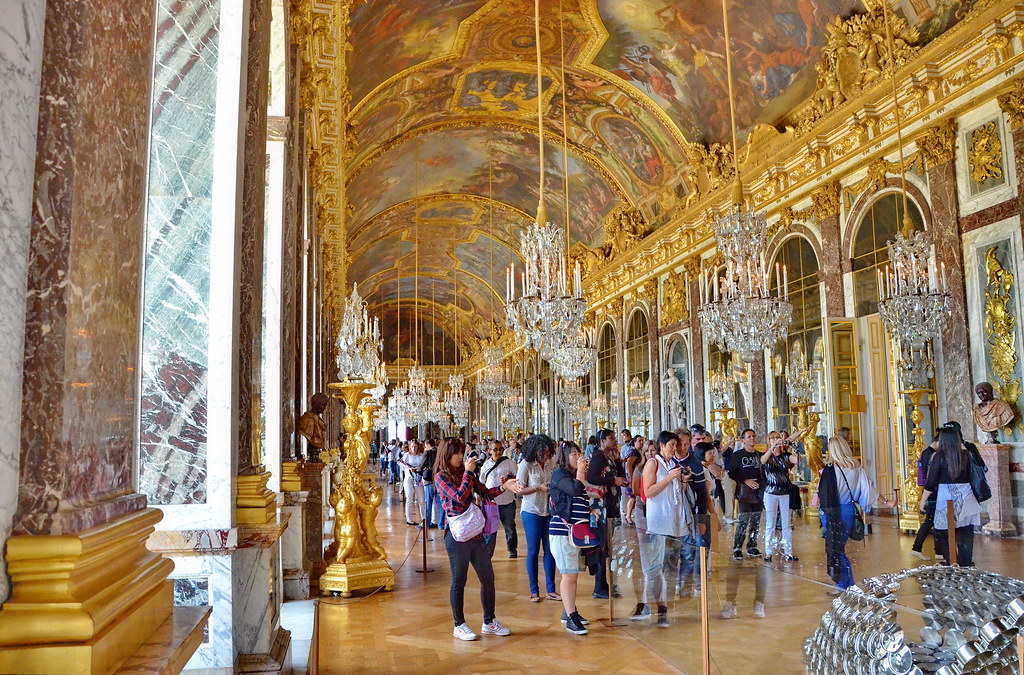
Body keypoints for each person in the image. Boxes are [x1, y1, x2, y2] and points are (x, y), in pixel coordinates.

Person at [434, 437, 520, 641]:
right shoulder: (440, 477)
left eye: (461, 452)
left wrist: (504, 487)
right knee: (459, 581)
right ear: (446, 454)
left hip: (475, 533)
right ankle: (459, 624)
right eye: (456, 453)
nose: (460, 457)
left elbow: (486, 492)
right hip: (456, 536)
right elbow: (459, 497)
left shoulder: (465, 474)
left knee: (487, 577)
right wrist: (468, 472)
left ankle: (489, 621)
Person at [816, 435, 893, 592]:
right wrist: (886, 501)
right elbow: (868, 489)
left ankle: (844, 586)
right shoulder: (856, 468)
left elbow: (821, 493)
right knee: (839, 549)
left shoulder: (830, 469)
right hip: (848, 510)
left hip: (833, 512)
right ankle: (847, 585)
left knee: (836, 550)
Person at [642, 430, 699, 627]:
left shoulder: (673, 465)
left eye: (677, 445)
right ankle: (652, 606)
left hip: (675, 523)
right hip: (659, 523)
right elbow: (648, 491)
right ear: (662, 446)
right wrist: (668, 478)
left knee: (671, 565)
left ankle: (665, 606)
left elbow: (677, 493)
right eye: (672, 445)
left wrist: (683, 480)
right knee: (657, 566)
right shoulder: (653, 464)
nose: (675, 448)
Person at [922, 425, 986, 567]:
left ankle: (952, 562)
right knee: (966, 533)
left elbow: (931, 482)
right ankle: (966, 563)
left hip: (946, 499)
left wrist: (922, 501)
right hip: (967, 497)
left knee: (946, 534)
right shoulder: (966, 454)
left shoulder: (939, 456)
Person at [548, 441, 592, 635]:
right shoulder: (559, 474)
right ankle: (571, 618)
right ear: (564, 457)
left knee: (573, 574)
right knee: (569, 576)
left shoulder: (571, 476)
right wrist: (581, 471)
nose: (578, 457)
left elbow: (579, 495)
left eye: (578, 453)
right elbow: (575, 490)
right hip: (562, 532)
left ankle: (569, 611)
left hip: (575, 533)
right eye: (573, 454)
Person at [516, 434, 559, 602]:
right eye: (543, 452)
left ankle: (551, 590)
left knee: (550, 550)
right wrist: (537, 488)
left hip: (548, 511)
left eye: (548, 452)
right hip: (531, 511)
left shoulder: (550, 463)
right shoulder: (526, 465)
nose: (546, 455)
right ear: (535, 450)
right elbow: (519, 490)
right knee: (533, 550)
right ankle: (534, 590)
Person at [587, 429, 628, 599]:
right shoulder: (598, 457)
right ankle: (599, 586)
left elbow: (619, 475)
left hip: (611, 505)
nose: (615, 440)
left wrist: (617, 460)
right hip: (601, 508)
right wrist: (612, 480)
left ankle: (604, 583)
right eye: (611, 438)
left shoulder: (609, 456)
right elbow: (592, 477)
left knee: (608, 546)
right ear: (602, 440)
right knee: (602, 546)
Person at [760, 427, 810, 562]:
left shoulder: (785, 456)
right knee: (770, 523)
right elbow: (762, 461)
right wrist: (772, 448)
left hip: (784, 492)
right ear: (769, 441)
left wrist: (793, 446)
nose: (775, 440)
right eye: (772, 438)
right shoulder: (766, 455)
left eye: (777, 437)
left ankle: (788, 552)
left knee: (786, 524)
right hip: (770, 493)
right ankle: (768, 552)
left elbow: (798, 459)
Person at [629, 440, 659, 622]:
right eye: (648, 451)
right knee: (646, 553)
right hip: (643, 511)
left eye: (653, 450)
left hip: (658, 513)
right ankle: (646, 599)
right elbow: (635, 490)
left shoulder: (660, 468)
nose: (650, 453)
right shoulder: (639, 469)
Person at [728, 429, 764, 560]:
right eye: (749, 437)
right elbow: (732, 473)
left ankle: (752, 546)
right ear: (743, 440)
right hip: (744, 492)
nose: (752, 438)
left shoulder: (760, 455)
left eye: (753, 436)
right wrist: (745, 480)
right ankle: (737, 547)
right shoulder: (738, 455)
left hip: (758, 492)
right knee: (743, 520)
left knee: (756, 521)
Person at [480, 439, 518, 558]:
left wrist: (509, 479)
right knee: (490, 530)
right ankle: (488, 554)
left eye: (501, 449)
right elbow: (481, 482)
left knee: (510, 527)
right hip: (492, 503)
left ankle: (512, 549)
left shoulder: (509, 463)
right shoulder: (486, 465)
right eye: (495, 449)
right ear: (489, 450)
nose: (498, 451)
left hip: (507, 501)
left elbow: (518, 477)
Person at [911, 435, 938, 561]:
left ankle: (936, 550)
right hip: (932, 490)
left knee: (931, 521)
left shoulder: (926, 452)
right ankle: (917, 548)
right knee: (930, 521)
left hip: (929, 490)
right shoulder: (932, 454)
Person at [400, 441, 426, 527]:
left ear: (418, 447)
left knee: (422, 500)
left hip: (418, 479)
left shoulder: (421, 456)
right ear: (410, 447)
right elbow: (402, 464)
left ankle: (424, 519)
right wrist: (409, 468)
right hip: (409, 478)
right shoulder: (407, 455)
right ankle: (409, 519)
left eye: (415, 446)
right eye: (412, 446)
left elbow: (423, 465)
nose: (414, 448)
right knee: (409, 499)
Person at [296, 392, 329, 460]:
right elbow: (311, 438)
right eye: (323, 405)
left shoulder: (317, 420)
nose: (324, 408)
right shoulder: (307, 420)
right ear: (316, 404)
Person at [421, 439, 445, 530]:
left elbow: (421, 465)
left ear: (428, 444)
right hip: (440, 481)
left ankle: (427, 523)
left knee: (428, 503)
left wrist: (418, 470)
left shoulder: (428, 453)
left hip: (429, 481)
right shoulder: (441, 452)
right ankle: (441, 524)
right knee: (441, 504)